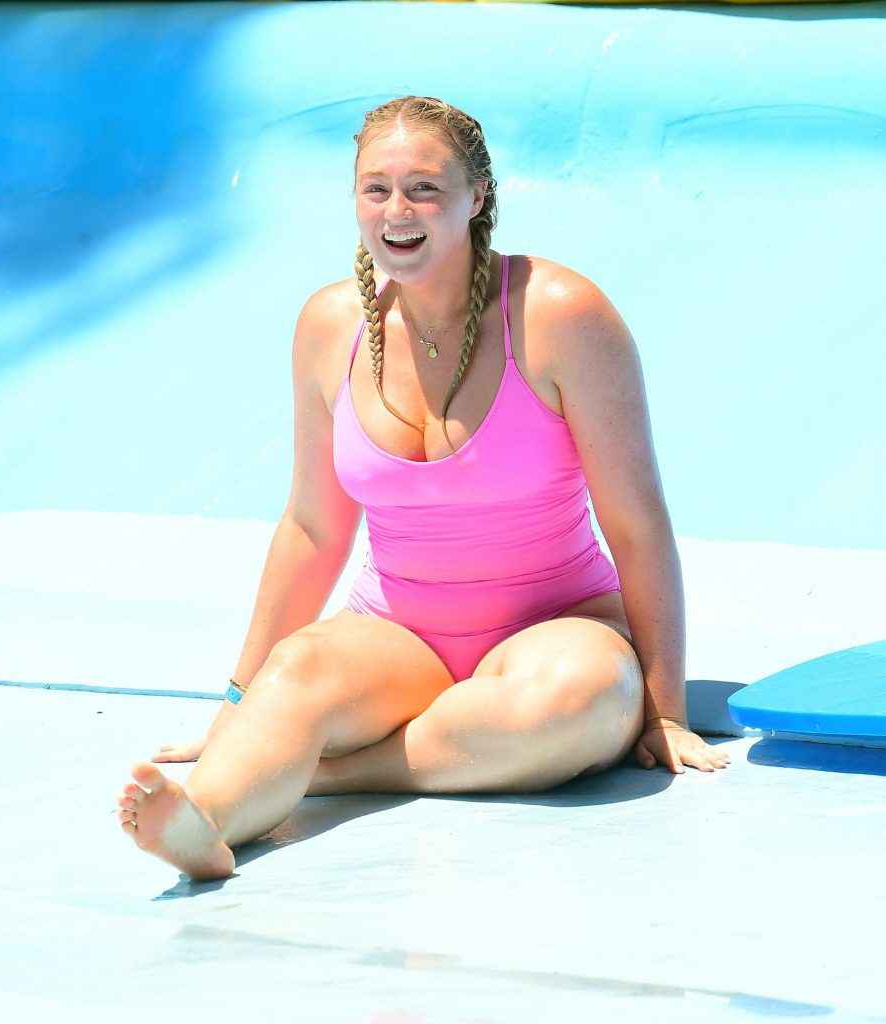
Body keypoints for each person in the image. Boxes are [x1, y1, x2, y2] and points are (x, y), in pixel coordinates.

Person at [115, 96, 729, 881]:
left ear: (478, 197)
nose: (397, 211)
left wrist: (664, 711)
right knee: (298, 673)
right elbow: (312, 527)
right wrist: (239, 703)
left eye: (424, 189)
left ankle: (332, 774)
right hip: (397, 636)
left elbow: (636, 524)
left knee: (579, 700)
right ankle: (203, 822)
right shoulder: (331, 325)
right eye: (376, 189)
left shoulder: (559, 314)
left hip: (557, 625)